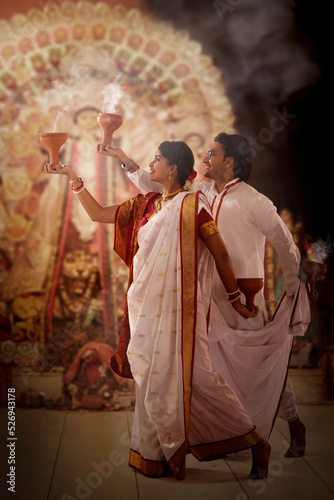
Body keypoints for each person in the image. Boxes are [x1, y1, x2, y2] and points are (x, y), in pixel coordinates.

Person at [44, 140, 271, 480]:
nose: (151, 164)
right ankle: (155, 454)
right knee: (152, 380)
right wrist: (73, 177)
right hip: (147, 313)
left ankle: (257, 444)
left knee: (202, 382)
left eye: (157, 159)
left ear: (174, 168)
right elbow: (97, 213)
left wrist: (235, 296)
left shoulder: (194, 206)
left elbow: (220, 254)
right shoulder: (146, 205)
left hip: (181, 317)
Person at [120, 132, 311, 458]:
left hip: (244, 303)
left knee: (257, 371)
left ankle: (293, 424)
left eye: (212, 153)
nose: (205, 158)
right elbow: (159, 189)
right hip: (204, 301)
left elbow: (286, 247)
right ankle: (225, 438)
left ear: (230, 161)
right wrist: (124, 160)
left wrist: (292, 293)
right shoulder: (200, 193)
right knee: (209, 372)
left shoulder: (255, 201)